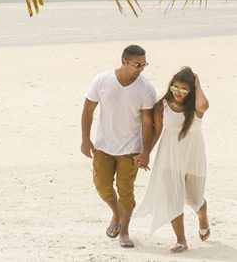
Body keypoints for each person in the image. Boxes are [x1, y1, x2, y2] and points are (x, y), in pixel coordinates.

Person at [81, 45, 156, 248]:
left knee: (126, 191)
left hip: (130, 150)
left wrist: (145, 151)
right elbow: (88, 109)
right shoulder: (102, 80)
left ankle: (124, 231)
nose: (141, 69)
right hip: (104, 147)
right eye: (137, 64)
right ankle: (117, 213)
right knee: (102, 187)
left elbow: (148, 122)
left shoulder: (146, 89)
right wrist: (85, 139)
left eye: (144, 64)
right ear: (124, 61)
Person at [134, 67, 210, 253]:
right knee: (173, 198)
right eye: (175, 88)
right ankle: (181, 240)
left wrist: (197, 83)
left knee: (194, 197)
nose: (178, 93)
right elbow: (157, 132)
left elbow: (204, 105)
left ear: (191, 91)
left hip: (193, 155)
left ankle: (203, 217)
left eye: (184, 90)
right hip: (169, 155)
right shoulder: (163, 105)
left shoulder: (195, 107)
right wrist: (146, 153)